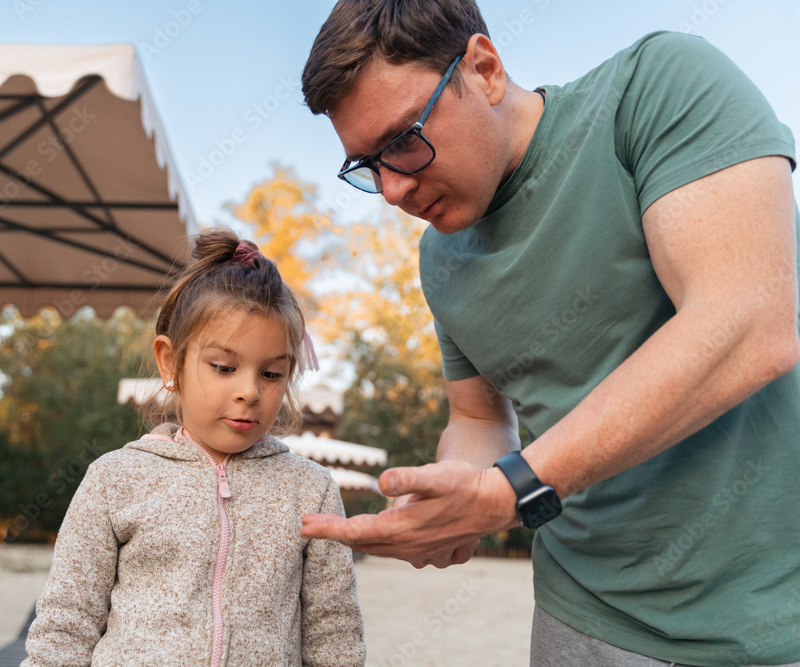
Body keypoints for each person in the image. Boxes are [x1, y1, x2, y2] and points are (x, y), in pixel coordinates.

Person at [299, 1, 800, 666]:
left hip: (773, 615)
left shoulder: (657, 87)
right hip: (581, 619)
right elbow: (478, 416)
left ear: (485, 69)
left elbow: (749, 321)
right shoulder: (439, 258)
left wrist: (513, 490)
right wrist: (451, 493)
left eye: (402, 140)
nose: (392, 189)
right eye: (366, 164)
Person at [22, 230, 366, 666]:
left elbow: (334, 635)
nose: (249, 391)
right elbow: (66, 625)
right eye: (224, 367)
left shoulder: (311, 491)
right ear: (170, 362)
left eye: (272, 374)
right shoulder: (115, 479)